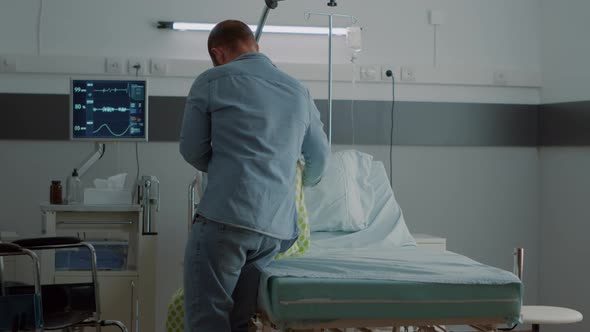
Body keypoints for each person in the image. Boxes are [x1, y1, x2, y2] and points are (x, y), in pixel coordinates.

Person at [179, 20, 330, 332]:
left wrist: (228, 168)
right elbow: (319, 158)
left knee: (207, 319)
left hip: (225, 220)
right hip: (273, 230)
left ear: (218, 53)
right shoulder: (298, 91)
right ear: (255, 46)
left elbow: (191, 150)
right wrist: (297, 180)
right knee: (241, 322)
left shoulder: (211, 81)